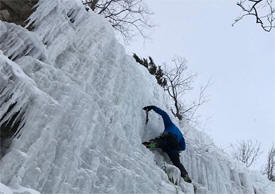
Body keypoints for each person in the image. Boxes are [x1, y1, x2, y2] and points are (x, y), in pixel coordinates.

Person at [142, 105, 192, 183]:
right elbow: (183, 147)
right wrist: (178, 149)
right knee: (177, 163)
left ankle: (152, 144)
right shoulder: (181, 136)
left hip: (168, 140)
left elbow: (164, 114)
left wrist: (153, 107)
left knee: (163, 141)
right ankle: (185, 175)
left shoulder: (170, 124)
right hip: (174, 149)